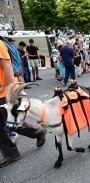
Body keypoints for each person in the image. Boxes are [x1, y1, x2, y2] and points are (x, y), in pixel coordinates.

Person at [0, 39, 47, 168]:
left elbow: (8, 66)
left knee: (14, 123)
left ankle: (38, 132)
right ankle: (11, 153)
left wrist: (12, 92)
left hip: (3, 93)